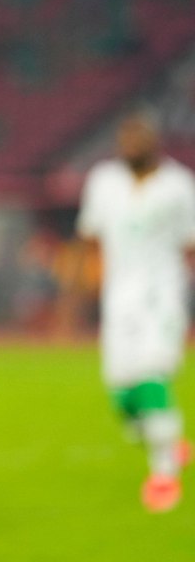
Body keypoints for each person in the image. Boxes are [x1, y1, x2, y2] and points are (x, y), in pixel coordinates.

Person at [77, 112, 194, 513]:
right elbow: (91, 239)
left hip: (163, 297)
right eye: (125, 140)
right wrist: (87, 288)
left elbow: (190, 245)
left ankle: (163, 474)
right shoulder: (103, 182)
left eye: (138, 140)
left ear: (153, 143)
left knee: (151, 376)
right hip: (119, 300)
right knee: (124, 398)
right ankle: (168, 438)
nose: (131, 147)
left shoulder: (179, 186)